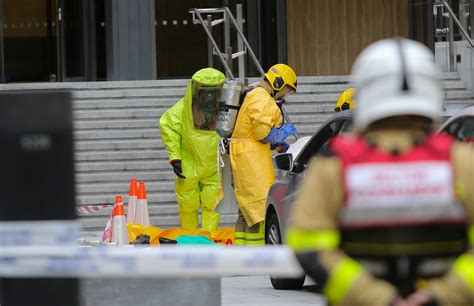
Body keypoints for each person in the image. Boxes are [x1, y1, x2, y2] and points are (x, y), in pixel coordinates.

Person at [286, 38, 474, 306]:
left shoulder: (334, 165)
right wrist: (440, 296)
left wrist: (377, 298)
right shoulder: (462, 162)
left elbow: (308, 246)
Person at [230, 63, 298, 246]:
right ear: (278, 83)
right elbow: (262, 134)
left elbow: (254, 132)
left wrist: (276, 144)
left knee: (245, 211)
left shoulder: (254, 93)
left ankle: (241, 253)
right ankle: (256, 255)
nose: (285, 94)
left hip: (247, 156)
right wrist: (283, 133)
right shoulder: (262, 99)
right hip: (251, 162)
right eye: (286, 89)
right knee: (259, 210)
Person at [160, 67, 225, 231]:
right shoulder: (183, 109)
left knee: (213, 203)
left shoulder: (225, 110)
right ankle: (189, 242)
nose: (209, 97)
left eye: (213, 92)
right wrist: (175, 157)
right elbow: (168, 126)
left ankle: (207, 241)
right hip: (190, 162)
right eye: (205, 92)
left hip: (214, 164)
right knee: (188, 204)